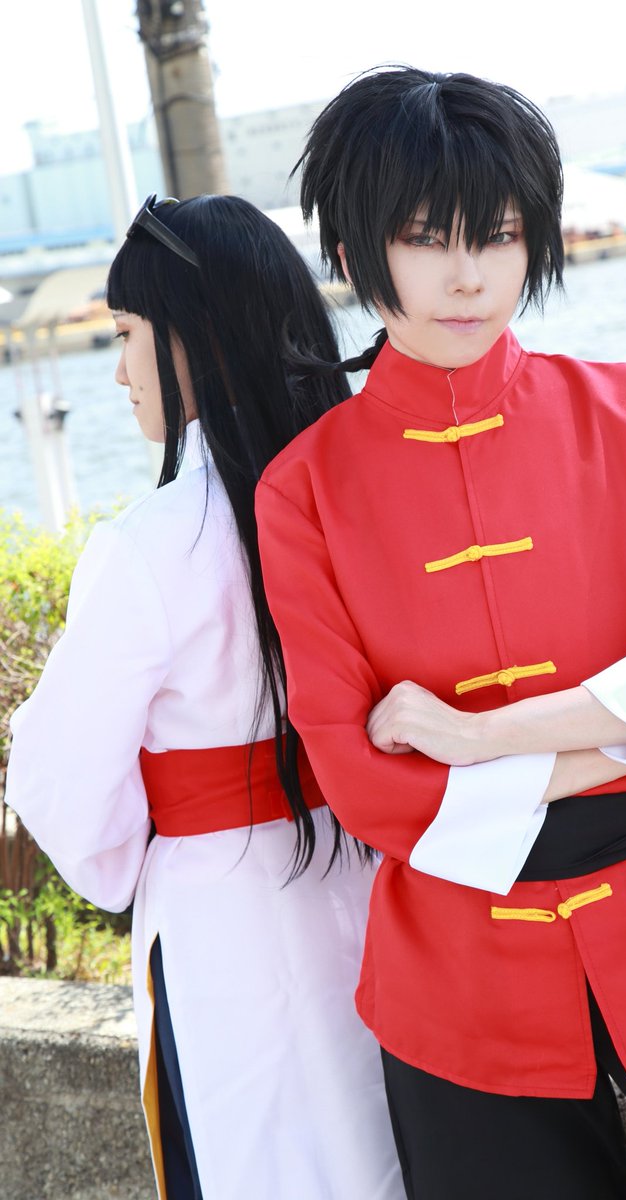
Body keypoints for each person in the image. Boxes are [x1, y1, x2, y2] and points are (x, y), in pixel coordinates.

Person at [255, 68, 626, 1200]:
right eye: (424, 239)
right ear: (353, 255)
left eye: (497, 236)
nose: (468, 275)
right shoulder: (303, 491)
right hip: (460, 978)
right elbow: (366, 783)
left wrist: (475, 738)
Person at [5, 194, 403, 1200]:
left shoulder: (149, 545)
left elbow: (62, 786)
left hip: (225, 916)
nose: (118, 370)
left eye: (124, 334)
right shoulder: (367, 497)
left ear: (191, 336)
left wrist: (138, 856)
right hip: (383, 887)